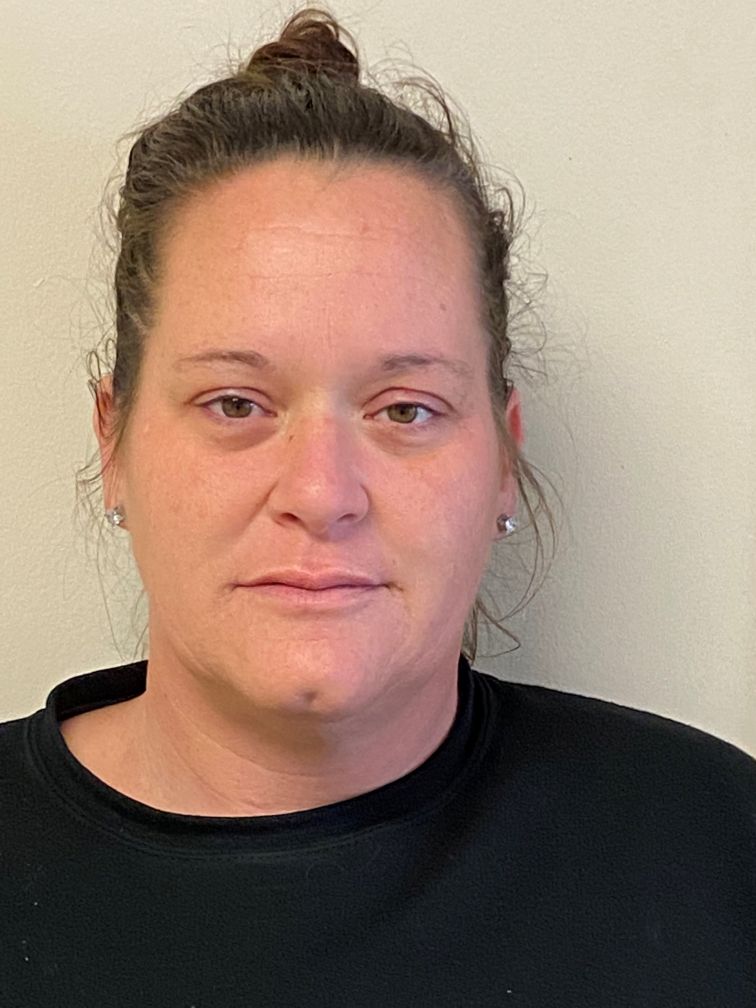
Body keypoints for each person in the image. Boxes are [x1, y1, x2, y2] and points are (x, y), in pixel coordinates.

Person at [1, 7, 753, 1006]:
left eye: (405, 410)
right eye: (235, 404)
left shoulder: (712, 846)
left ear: (502, 459)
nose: (322, 495)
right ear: (115, 443)